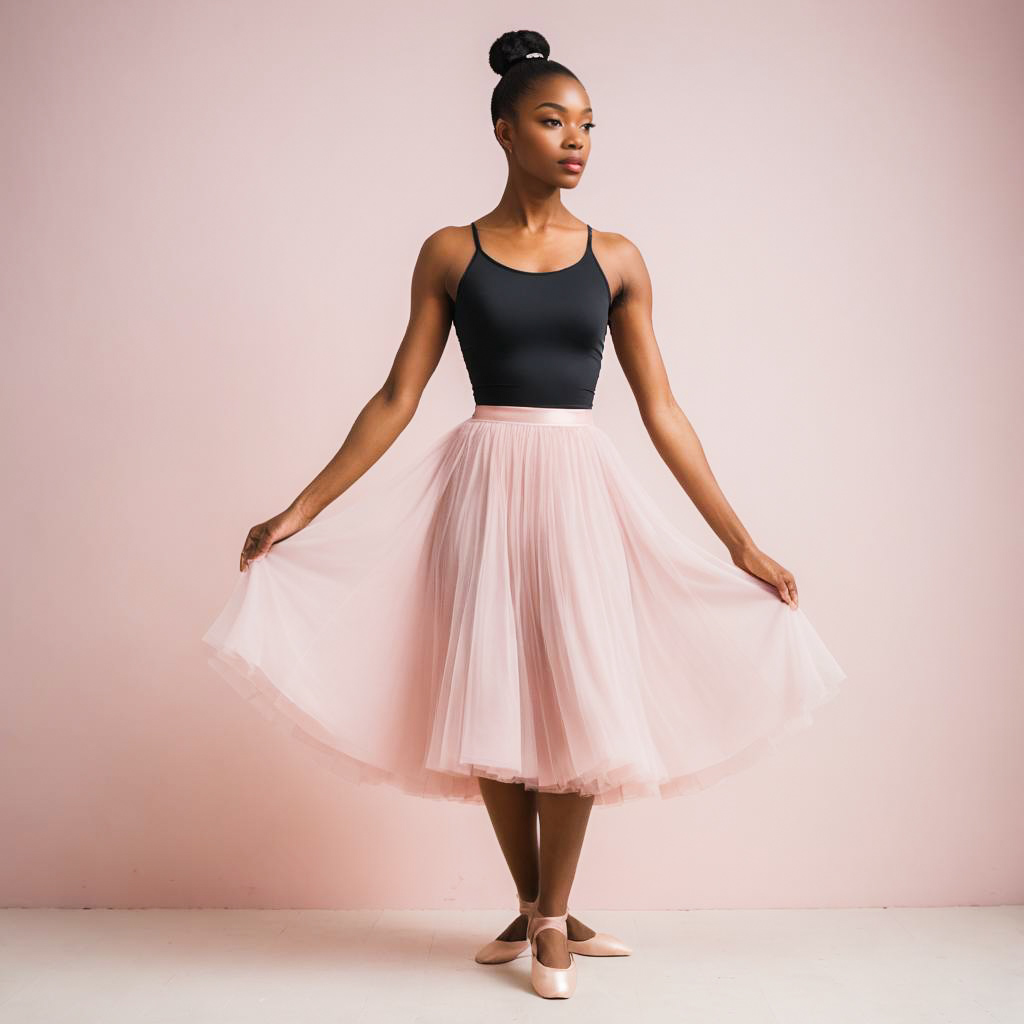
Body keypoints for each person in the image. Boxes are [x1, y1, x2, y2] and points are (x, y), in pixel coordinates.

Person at [202, 28, 848, 1000]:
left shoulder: (618, 255)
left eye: (587, 124)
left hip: (576, 482)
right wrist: (299, 509)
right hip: (482, 483)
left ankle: (551, 911)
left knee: (579, 694)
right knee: (492, 698)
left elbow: (662, 409)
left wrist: (739, 538)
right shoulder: (449, 252)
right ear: (504, 130)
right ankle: (542, 905)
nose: (575, 140)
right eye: (553, 121)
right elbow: (395, 397)